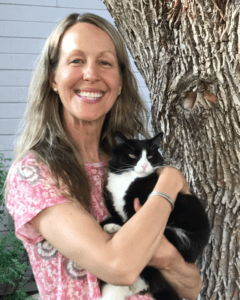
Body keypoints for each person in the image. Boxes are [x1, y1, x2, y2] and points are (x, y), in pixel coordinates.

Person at [5, 13, 202, 300]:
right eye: (76, 60)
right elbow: (118, 267)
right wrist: (170, 182)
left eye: (105, 62)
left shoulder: (125, 163)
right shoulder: (35, 173)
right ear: (53, 79)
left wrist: (165, 256)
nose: (91, 74)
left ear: (120, 82)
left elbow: (191, 285)